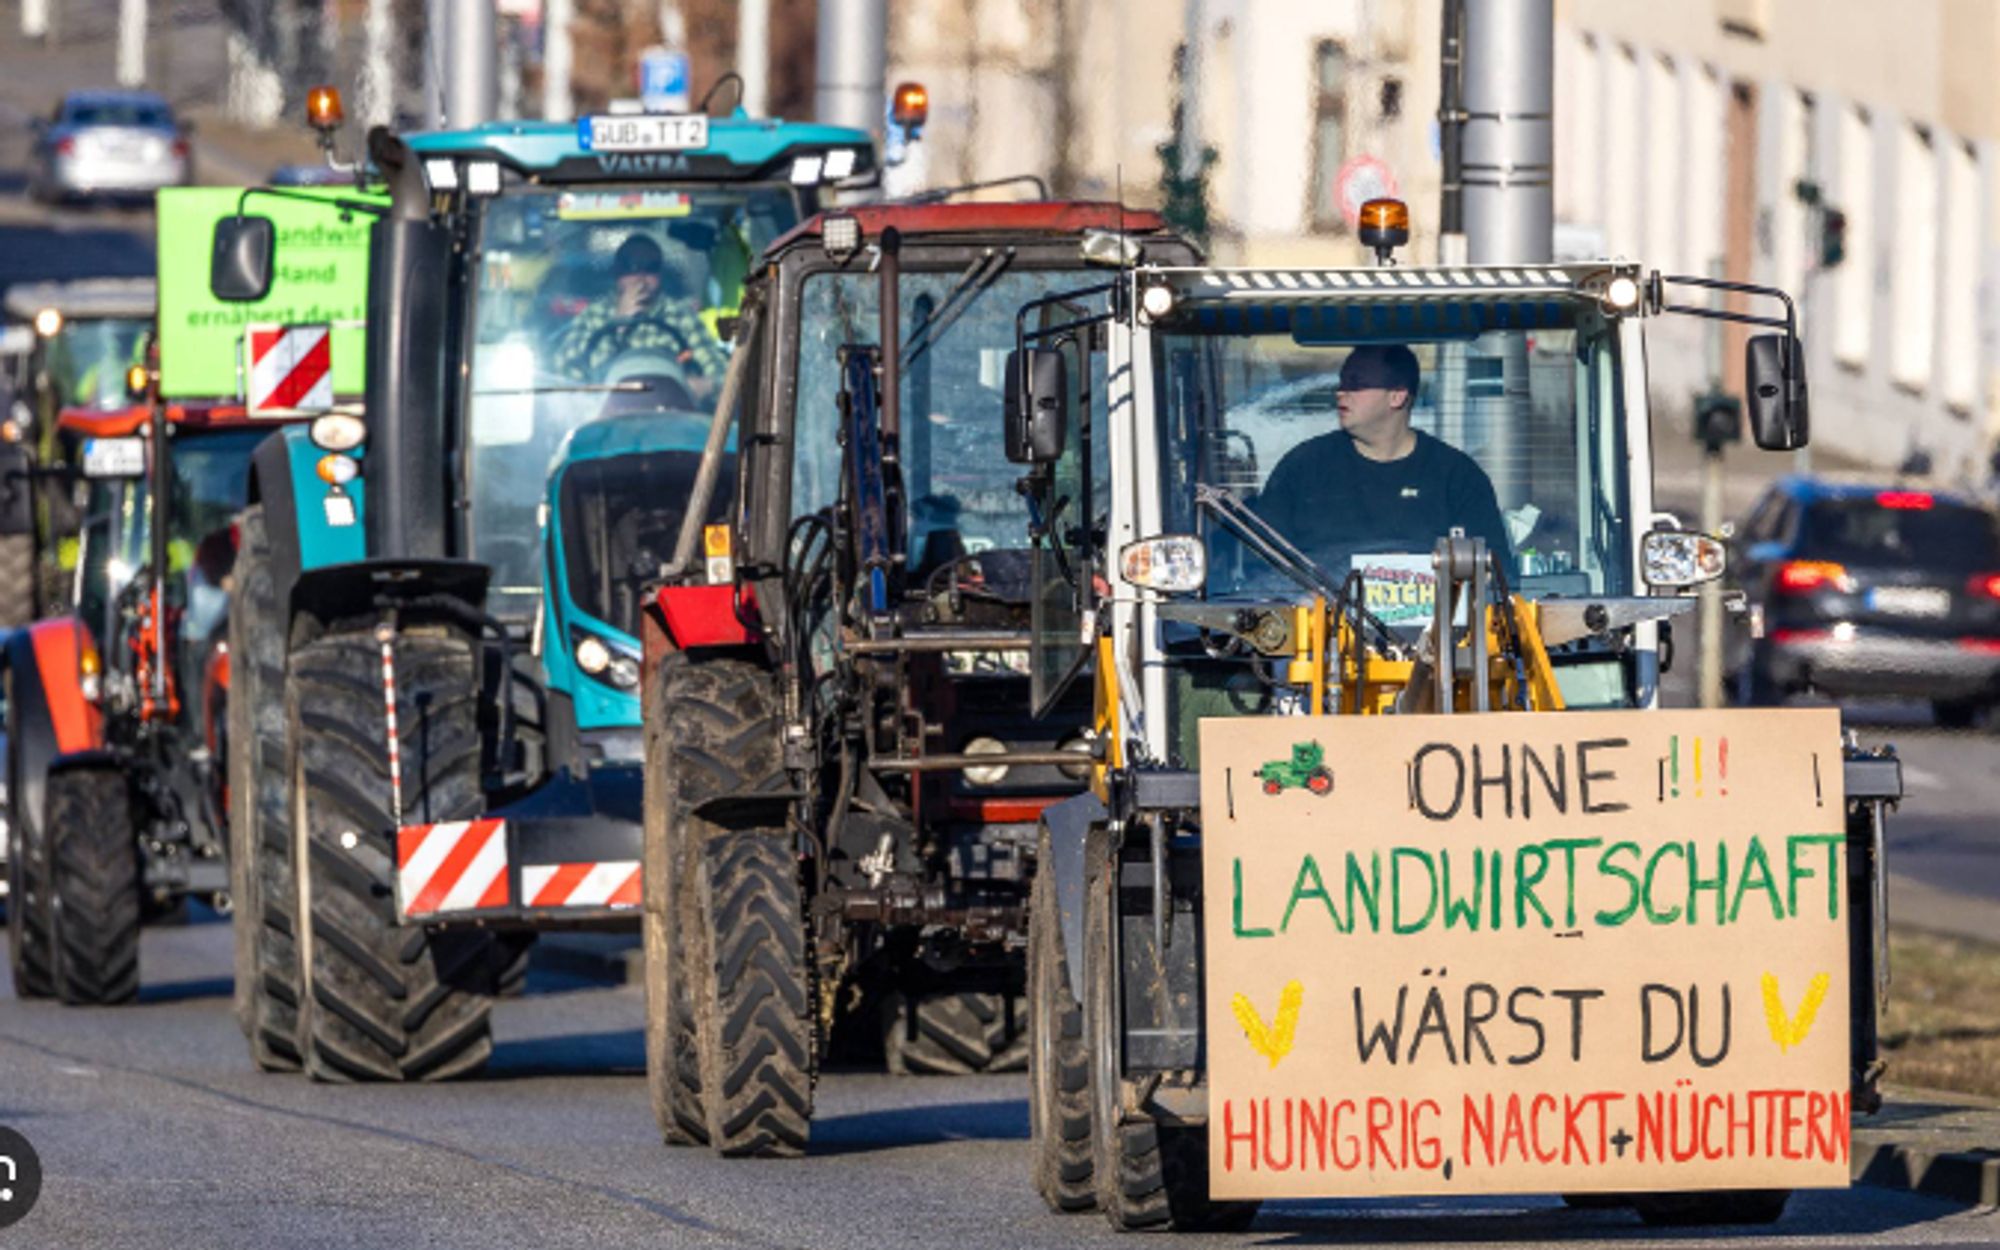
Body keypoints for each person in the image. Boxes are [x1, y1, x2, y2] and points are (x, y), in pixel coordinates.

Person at [1255, 343, 1511, 573]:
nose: (1341, 392)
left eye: (1356, 384)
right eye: (1342, 382)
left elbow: (1498, 577)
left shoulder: (1457, 477)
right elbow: (1259, 569)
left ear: (1397, 396)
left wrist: (1415, 572)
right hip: (1318, 624)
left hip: (1439, 625)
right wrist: (1300, 598)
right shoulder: (1302, 469)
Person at [551, 233, 729, 385]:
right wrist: (619, 322)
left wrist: (705, 386)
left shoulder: (680, 316)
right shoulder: (593, 316)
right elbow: (565, 372)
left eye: (650, 268)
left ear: (660, 273)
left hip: (668, 418)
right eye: (631, 268)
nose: (641, 279)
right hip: (606, 417)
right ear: (617, 272)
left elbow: (719, 372)